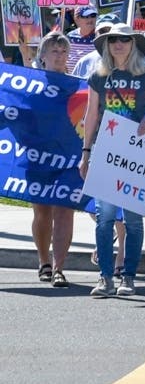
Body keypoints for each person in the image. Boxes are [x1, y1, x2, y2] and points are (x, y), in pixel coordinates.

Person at [78, 24, 145, 297]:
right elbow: (91, 116)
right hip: (105, 149)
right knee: (104, 218)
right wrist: (86, 153)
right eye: (113, 39)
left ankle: (128, 277)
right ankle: (105, 277)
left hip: (135, 151)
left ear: (133, 44)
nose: (118, 44)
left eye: (124, 39)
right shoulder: (98, 76)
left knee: (133, 220)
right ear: (106, 45)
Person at [25, 33, 75, 288]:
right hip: (38, 157)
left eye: (63, 51)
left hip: (69, 159)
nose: (59, 55)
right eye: (54, 51)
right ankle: (43, 261)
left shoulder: (79, 85)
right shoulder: (28, 84)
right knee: (42, 212)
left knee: (65, 211)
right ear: (42, 56)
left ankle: (59, 268)